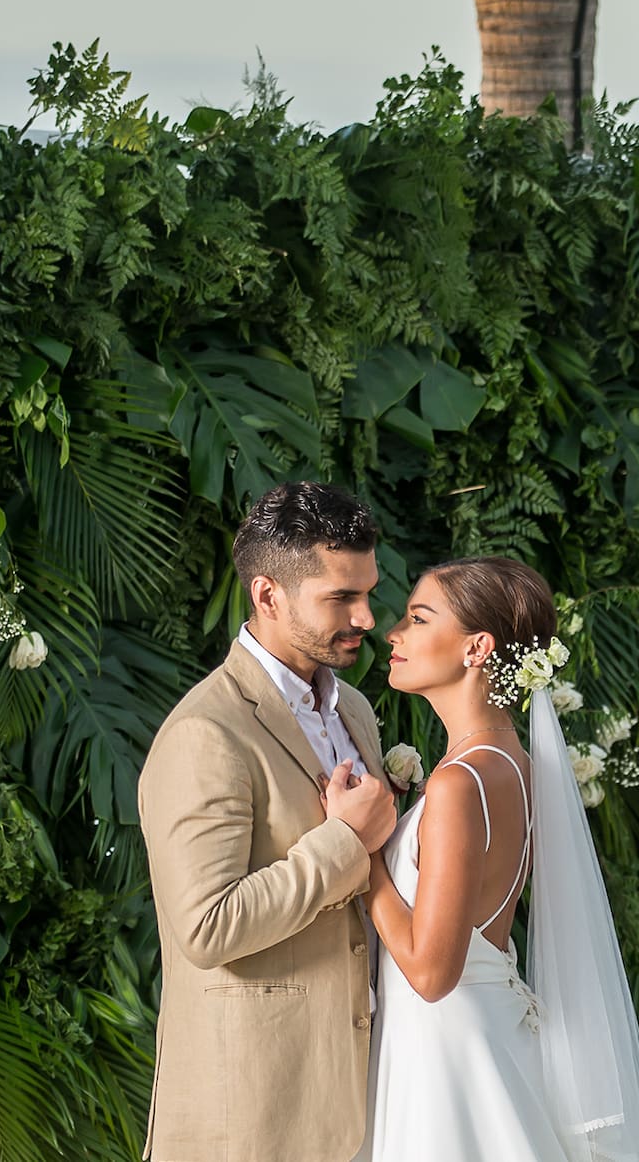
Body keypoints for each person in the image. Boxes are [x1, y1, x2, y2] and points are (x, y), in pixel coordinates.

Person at [360, 556, 639, 1162]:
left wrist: (365, 852)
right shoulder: (517, 766)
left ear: (476, 648)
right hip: (485, 1030)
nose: (393, 634)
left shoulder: (458, 783)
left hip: (445, 1051)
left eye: (418, 619)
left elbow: (430, 973)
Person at [138, 482, 396, 1162]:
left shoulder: (357, 714)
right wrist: (345, 841)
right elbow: (206, 925)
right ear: (268, 595)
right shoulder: (206, 733)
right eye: (341, 597)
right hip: (253, 1118)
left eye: (367, 592)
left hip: (363, 1095)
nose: (366, 617)